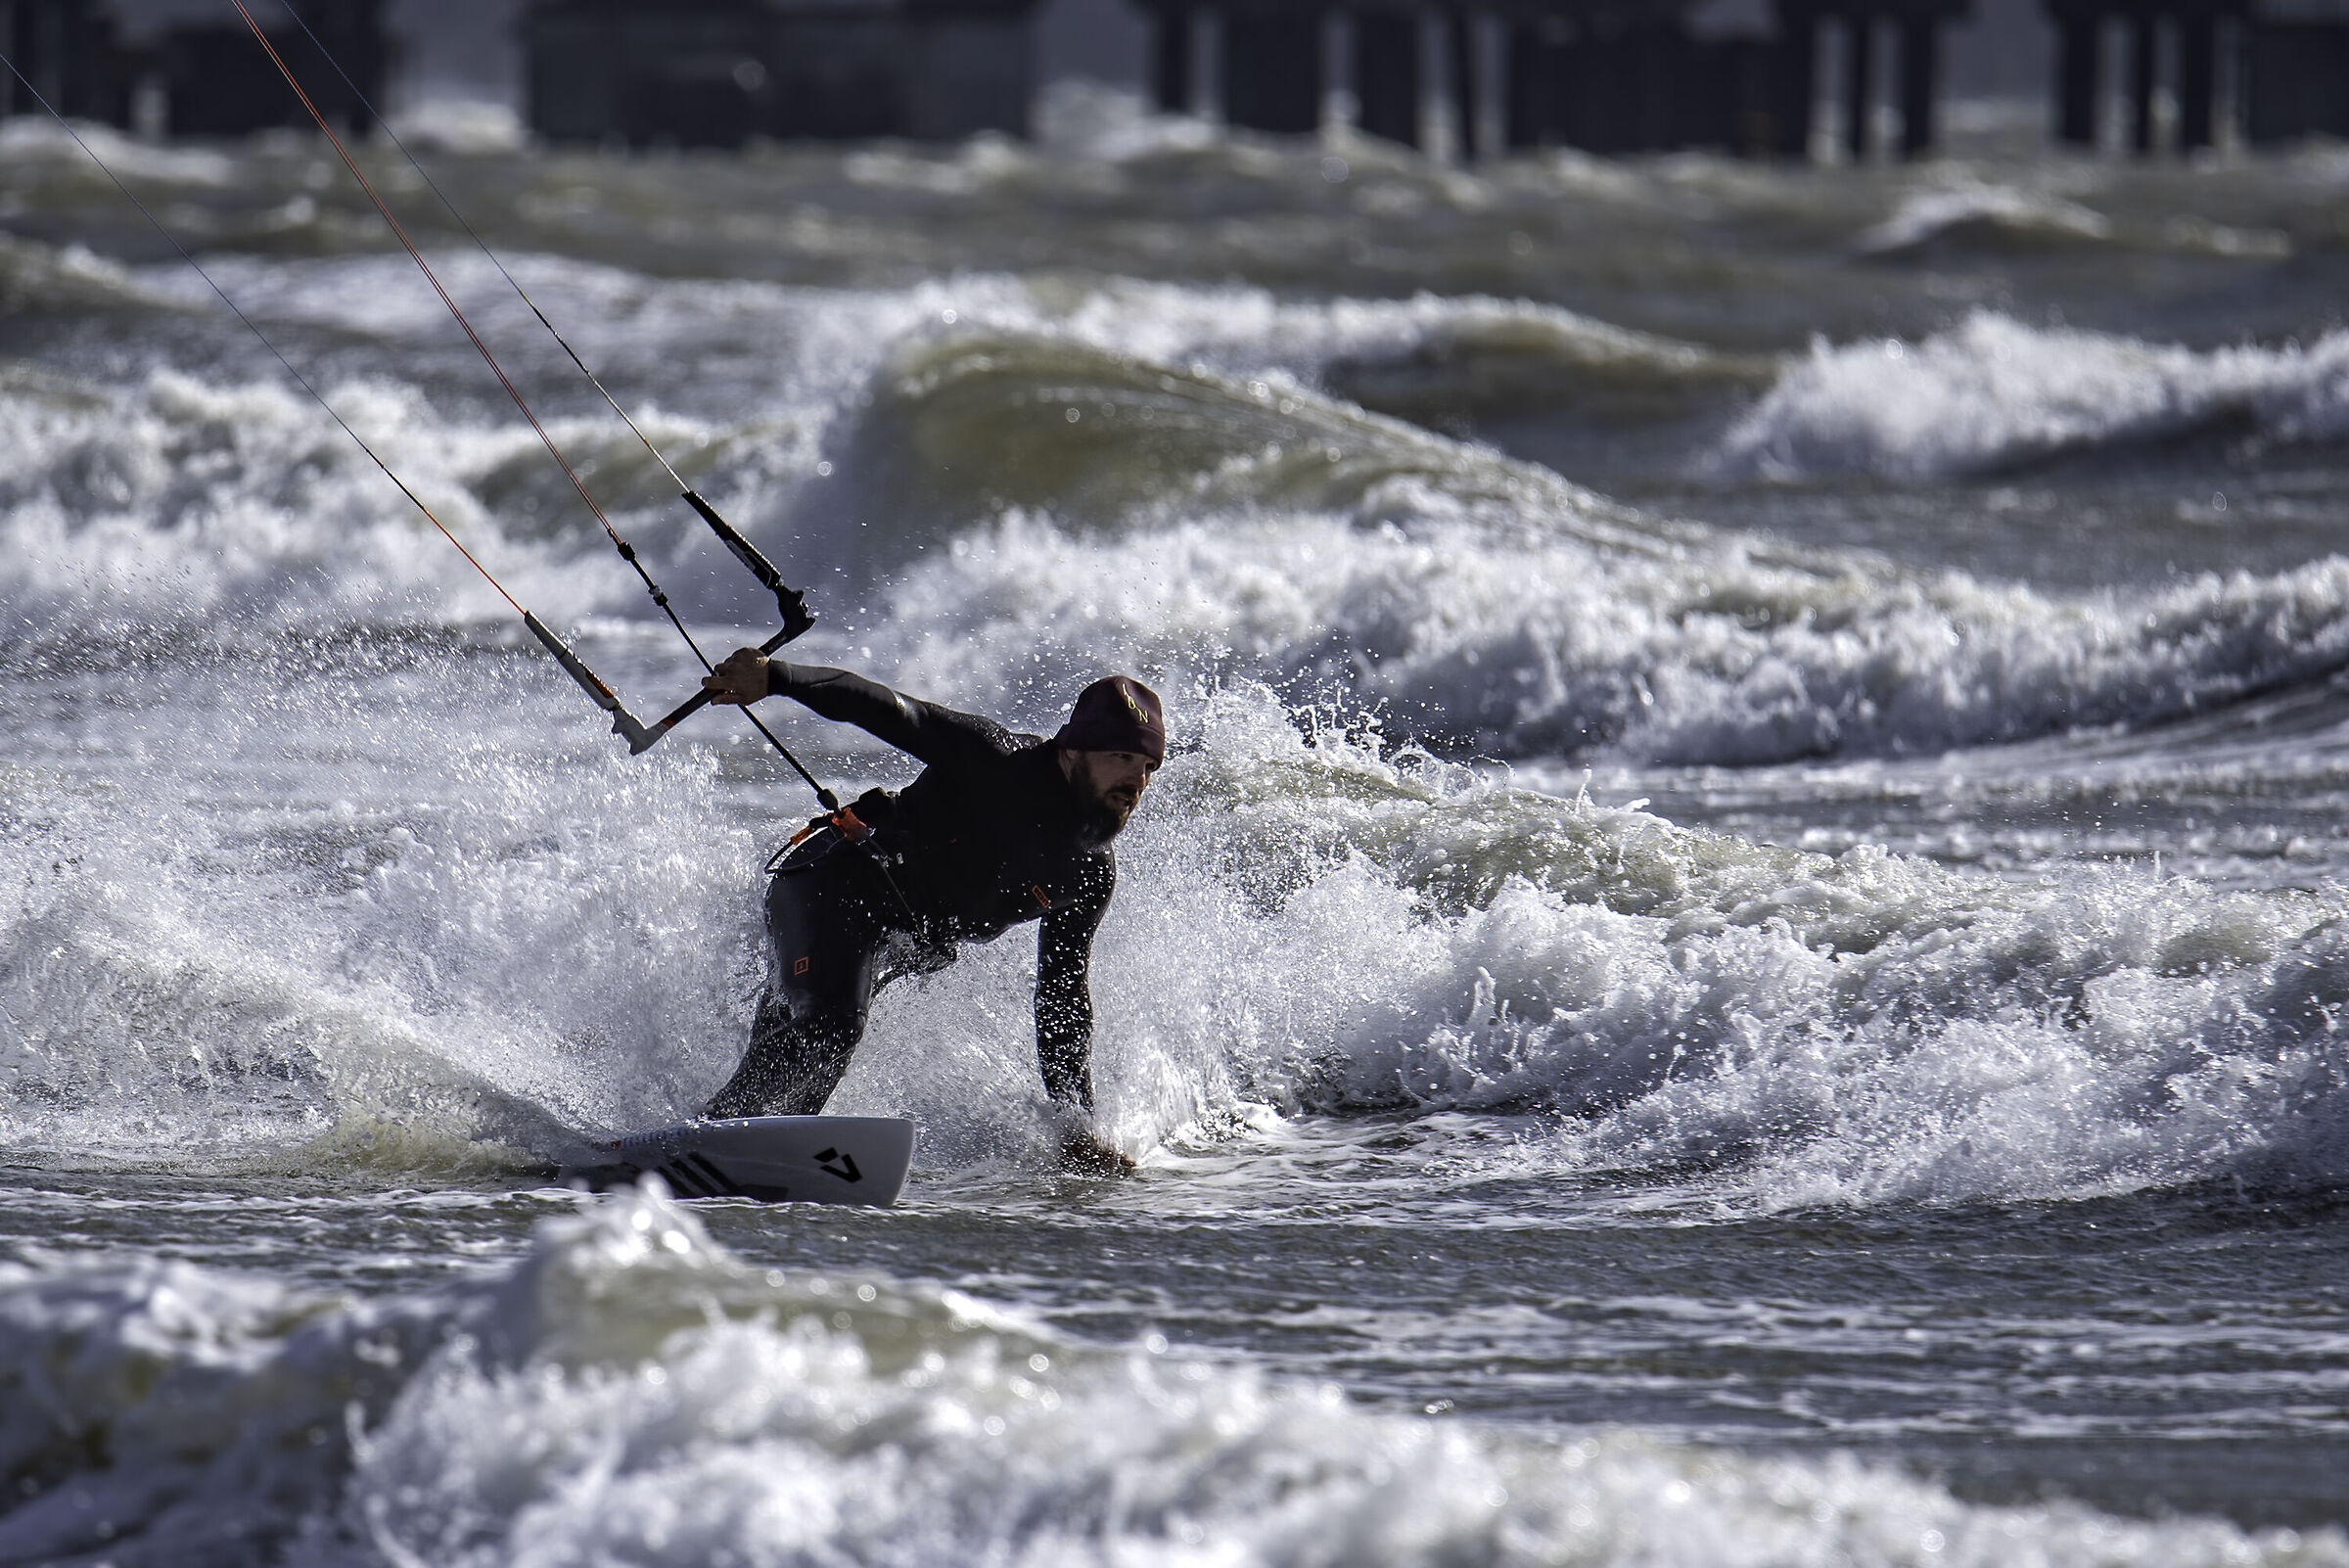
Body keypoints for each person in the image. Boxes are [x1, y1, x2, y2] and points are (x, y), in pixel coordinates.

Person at [698, 647, 1163, 1160]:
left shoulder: (1088, 874)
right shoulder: (996, 761)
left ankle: (734, 1150)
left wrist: (1076, 1124)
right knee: (832, 1026)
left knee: (808, 1054)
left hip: (888, 938)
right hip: (829, 883)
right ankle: (710, 1144)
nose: (1134, 781)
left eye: (1146, 767)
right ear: (1073, 750)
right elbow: (886, 708)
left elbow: (1062, 1002)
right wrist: (777, 677)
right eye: (1121, 758)